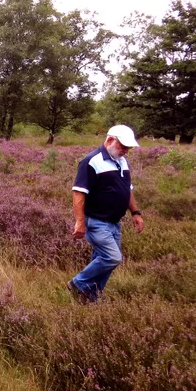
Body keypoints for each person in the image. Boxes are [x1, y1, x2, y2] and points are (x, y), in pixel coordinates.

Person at [67, 125, 145, 304]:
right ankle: (78, 283)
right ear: (110, 140)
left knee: (104, 262)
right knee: (112, 258)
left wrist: (136, 212)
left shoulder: (122, 161)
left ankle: (91, 297)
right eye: (123, 146)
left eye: (128, 148)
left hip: (114, 223)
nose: (126, 151)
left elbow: (127, 190)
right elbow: (79, 193)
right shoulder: (91, 161)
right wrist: (80, 222)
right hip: (96, 222)